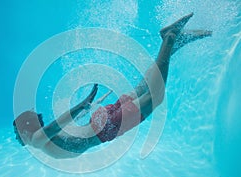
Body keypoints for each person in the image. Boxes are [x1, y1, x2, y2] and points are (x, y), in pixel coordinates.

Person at [13, 13, 212, 158]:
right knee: (142, 90)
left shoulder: (37, 141)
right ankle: (172, 47)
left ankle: (169, 38)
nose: (17, 136)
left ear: (25, 131)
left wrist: (81, 106)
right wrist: (88, 107)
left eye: (17, 131)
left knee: (154, 98)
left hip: (103, 129)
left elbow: (58, 124)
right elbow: (64, 125)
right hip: (99, 121)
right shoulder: (47, 140)